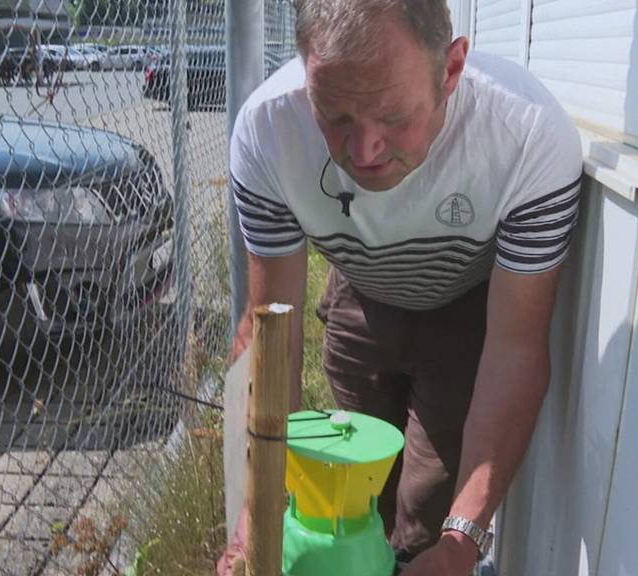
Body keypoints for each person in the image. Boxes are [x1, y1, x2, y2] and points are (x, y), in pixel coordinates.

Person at [219, 0, 582, 573]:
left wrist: (461, 540)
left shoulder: (528, 138)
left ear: (452, 69)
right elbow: (269, 333)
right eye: (335, 118)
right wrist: (255, 506)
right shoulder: (267, 129)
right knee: (355, 489)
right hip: (358, 291)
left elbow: (515, 349)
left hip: (466, 305)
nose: (363, 152)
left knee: (428, 508)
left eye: (393, 118)